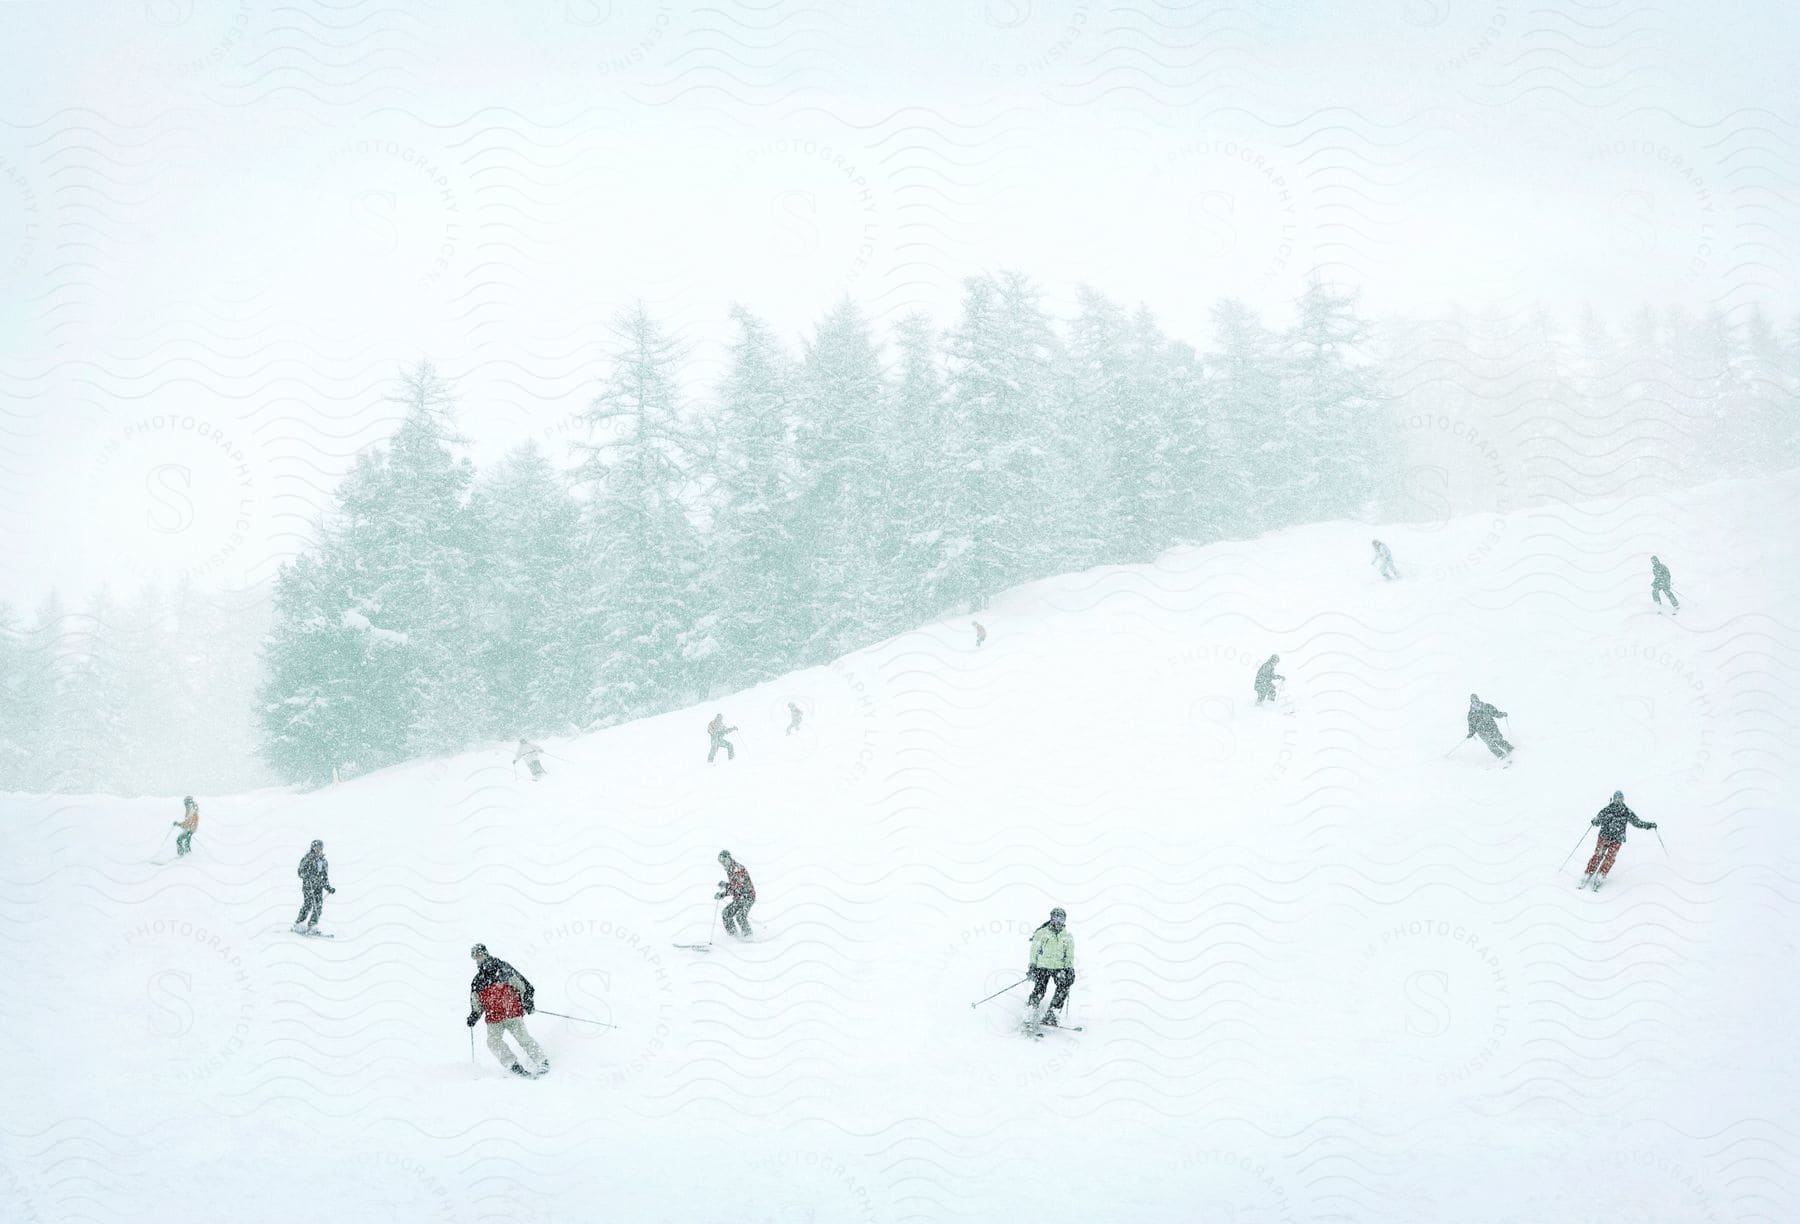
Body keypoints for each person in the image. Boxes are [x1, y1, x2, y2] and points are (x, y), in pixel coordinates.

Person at [466, 944, 547, 1077]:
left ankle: (542, 1061)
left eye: (480, 954)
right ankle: (512, 1064)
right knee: (493, 1042)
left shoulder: (502, 968)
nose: (478, 958)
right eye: (476, 956)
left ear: (486, 953)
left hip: (511, 1012)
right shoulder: (477, 981)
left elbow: (525, 986)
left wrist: (528, 1003)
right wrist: (473, 1016)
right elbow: (477, 1004)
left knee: (523, 1039)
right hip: (494, 1019)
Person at [1582, 790, 1657, 890]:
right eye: (1617, 798)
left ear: (1623, 799)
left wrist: (1649, 825)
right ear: (1613, 799)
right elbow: (1598, 819)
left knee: (1610, 858)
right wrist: (1595, 821)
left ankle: (1601, 875)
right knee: (1598, 855)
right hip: (1604, 836)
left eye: (1620, 798)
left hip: (1617, 839)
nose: (1618, 800)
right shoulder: (1607, 810)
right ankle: (1588, 872)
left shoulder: (1626, 811)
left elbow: (1637, 822)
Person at [1025, 907, 1076, 1027]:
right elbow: (1034, 951)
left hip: (1059, 968)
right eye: (1056, 918)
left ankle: (1052, 1013)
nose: (1058, 921)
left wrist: (1069, 969)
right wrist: (1032, 966)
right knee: (1040, 989)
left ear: (1064, 920)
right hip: (1042, 966)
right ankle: (1030, 1012)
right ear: (1051, 918)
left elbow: (1069, 956)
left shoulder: (1067, 936)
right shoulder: (1042, 933)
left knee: (1063, 987)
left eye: (1061, 919)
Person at [293, 840, 336, 933]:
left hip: (318, 887)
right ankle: (299, 923)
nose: (318, 849)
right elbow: (300, 872)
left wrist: (328, 887)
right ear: (313, 848)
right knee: (308, 904)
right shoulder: (307, 858)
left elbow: (324, 877)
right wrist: (307, 876)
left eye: (320, 848)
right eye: (317, 847)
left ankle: (312, 925)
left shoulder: (323, 861)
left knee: (318, 906)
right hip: (309, 886)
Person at [715, 851, 756, 938]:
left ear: (729, 858)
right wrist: (726, 887)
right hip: (739, 898)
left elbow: (738, 888)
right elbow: (735, 887)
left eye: (724, 860)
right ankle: (733, 937)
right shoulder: (730, 869)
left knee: (740, 916)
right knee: (726, 913)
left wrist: (723, 892)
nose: (723, 863)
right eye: (721, 861)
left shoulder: (738, 869)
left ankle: (749, 937)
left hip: (747, 897)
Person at [1465, 693, 1513, 760]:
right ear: (1471, 701)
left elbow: (1495, 713)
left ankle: (1511, 750)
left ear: (1478, 699)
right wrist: (1471, 733)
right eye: (1473, 700)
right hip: (1482, 732)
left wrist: (1502, 714)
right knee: (1490, 744)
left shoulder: (1486, 706)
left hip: (1492, 727)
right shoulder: (1471, 713)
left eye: (1476, 699)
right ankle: (1502, 756)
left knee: (1498, 740)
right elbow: (1472, 725)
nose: (1475, 701)